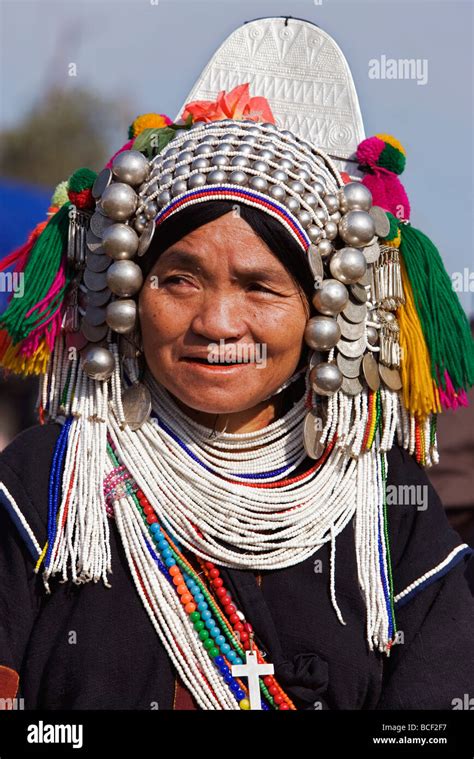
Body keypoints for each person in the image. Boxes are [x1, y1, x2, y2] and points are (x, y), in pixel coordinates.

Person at [0, 20, 473, 710]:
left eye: (259, 287)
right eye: (180, 280)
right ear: (131, 286)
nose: (217, 322)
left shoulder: (384, 507)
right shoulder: (47, 483)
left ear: (320, 309)